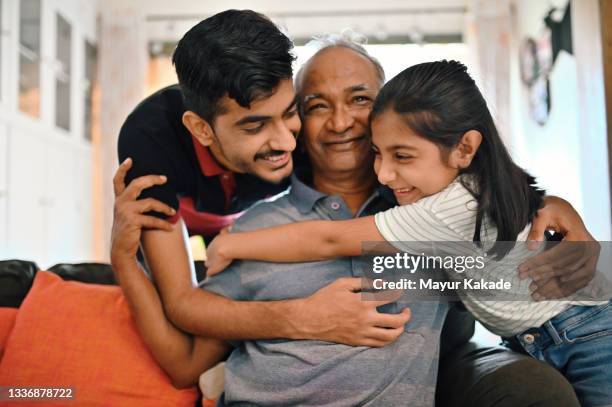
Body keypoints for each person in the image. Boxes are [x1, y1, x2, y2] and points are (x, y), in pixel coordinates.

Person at [205, 60, 611, 407]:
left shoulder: (430, 208)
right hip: (548, 332)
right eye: (317, 105)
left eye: (360, 99)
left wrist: (229, 243)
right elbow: (192, 342)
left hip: (580, 331)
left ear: (465, 149)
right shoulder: (465, 188)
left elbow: (328, 239)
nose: (384, 172)